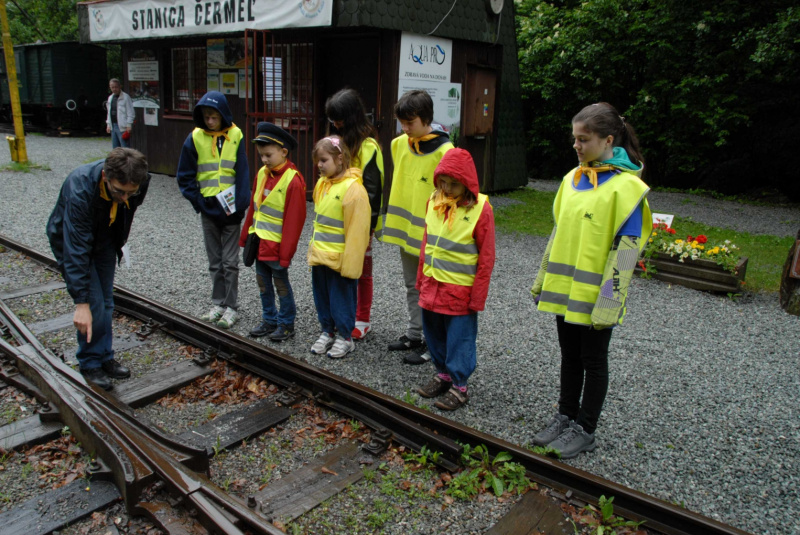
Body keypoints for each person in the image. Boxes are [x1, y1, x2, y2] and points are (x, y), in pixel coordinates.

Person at [530, 102, 652, 459]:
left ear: (608, 140)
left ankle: (585, 428)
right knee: (569, 355)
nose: (577, 146)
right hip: (564, 290)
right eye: (575, 139)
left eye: (584, 139)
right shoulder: (572, 179)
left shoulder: (628, 188)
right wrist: (541, 279)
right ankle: (565, 415)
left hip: (597, 296)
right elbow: (557, 234)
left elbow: (628, 250)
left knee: (594, 360)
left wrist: (610, 301)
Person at [46, 148, 150, 391]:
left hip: (105, 238)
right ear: (105, 176)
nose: (125, 198)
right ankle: (89, 362)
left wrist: (118, 242)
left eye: (130, 193)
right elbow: (76, 248)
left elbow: (125, 210)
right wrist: (80, 302)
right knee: (93, 304)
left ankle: (104, 356)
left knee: (106, 301)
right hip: (73, 242)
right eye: (119, 191)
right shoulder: (80, 188)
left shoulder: (138, 182)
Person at [414, 149, 495, 411]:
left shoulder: (481, 208)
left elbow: (486, 257)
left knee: (460, 338)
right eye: (443, 182)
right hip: (432, 285)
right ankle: (443, 374)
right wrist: (420, 280)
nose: (447, 189)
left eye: (454, 184)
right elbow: (426, 243)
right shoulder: (433, 202)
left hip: (460, 291)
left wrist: (478, 296)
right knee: (434, 333)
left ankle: (460, 386)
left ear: (467, 183)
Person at [378, 89, 453, 364]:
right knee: (413, 285)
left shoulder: (446, 151)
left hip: (432, 236)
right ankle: (414, 334)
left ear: (426, 119)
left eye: (410, 123)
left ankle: (433, 346)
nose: (404, 129)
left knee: (432, 289)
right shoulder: (399, 144)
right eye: (402, 123)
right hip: (406, 232)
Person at [177, 91, 250, 329]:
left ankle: (232, 307)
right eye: (206, 117)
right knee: (215, 261)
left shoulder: (236, 134)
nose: (210, 121)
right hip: (208, 206)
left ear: (223, 115)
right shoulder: (195, 137)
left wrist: (240, 206)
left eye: (214, 117)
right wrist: (197, 201)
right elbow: (184, 174)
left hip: (230, 209)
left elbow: (242, 172)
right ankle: (218, 303)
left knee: (230, 262)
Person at [325, 89, 384, 341]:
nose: (336, 124)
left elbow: (374, 188)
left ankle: (362, 319)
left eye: (339, 119)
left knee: (362, 271)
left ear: (352, 116)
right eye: (333, 120)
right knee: (339, 269)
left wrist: (367, 226)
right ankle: (345, 316)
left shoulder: (368, 145)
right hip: (336, 219)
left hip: (359, 221)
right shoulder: (336, 141)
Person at [239, 122, 306, 341]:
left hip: (276, 248)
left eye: (268, 155)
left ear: (283, 152)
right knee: (263, 285)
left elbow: (294, 223)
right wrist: (245, 237)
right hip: (259, 244)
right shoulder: (262, 173)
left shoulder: (293, 181)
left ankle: (286, 323)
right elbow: (254, 206)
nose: (264, 160)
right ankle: (269, 319)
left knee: (281, 286)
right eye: (261, 156)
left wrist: (286, 254)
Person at [307, 136, 370, 359]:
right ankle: (327, 331)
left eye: (324, 160)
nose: (319, 165)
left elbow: (357, 232)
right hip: (321, 256)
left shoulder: (354, 190)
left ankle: (345, 336)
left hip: (340, 259)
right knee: (322, 297)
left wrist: (351, 266)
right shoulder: (322, 184)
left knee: (341, 299)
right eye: (318, 161)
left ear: (340, 158)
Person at [105, 78, 135, 149]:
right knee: (116, 149)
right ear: (110, 87)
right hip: (113, 125)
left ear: (119, 86)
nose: (114, 89)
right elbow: (109, 112)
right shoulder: (110, 98)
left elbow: (131, 112)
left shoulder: (125, 97)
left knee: (125, 147)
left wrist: (129, 124)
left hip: (123, 126)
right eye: (112, 87)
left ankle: (126, 160)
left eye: (116, 87)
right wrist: (108, 124)